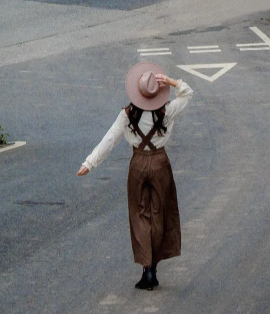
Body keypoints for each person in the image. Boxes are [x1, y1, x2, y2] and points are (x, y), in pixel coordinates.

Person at [77, 61, 193, 291]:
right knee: (160, 213)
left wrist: (89, 162)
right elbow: (188, 93)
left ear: (137, 92)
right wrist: (171, 81)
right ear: (157, 92)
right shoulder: (167, 111)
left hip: (138, 163)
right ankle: (155, 268)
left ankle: (146, 269)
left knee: (140, 215)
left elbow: (109, 140)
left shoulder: (127, 114)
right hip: (160, 163)